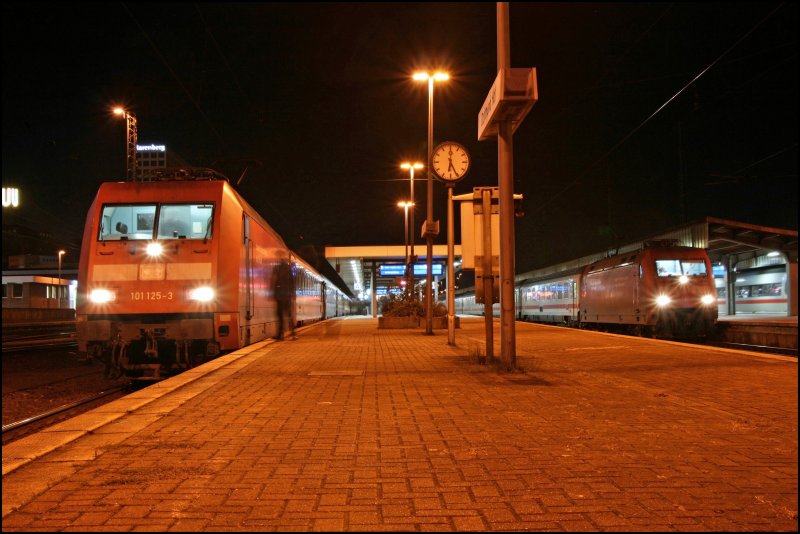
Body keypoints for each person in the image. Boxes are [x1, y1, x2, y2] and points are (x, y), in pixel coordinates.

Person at [272, 252, 297, 340]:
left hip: (280, 295)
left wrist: (273, 293)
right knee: (288, 314)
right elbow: (292, 282)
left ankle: (281, 335)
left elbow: (274, 281)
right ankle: (293, 334)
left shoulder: (277, 267)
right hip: (287, 295)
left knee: (280, 315)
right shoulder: (289, 268)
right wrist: (292, 294)